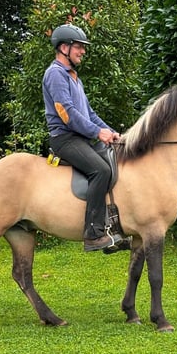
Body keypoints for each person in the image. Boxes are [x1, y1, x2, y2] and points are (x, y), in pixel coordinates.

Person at [42, 24, 122, 252]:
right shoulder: (55, 74)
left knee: (114, 162)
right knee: (101, 170)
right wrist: (97, 133)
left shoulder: (74, 77)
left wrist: (110, 131)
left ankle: (113, 226)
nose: (82, 51)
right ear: (64, 47)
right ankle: (93, 234)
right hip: (65, 138)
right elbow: (67, 114)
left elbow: (90, 114)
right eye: (79, 47)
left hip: (81, 137)